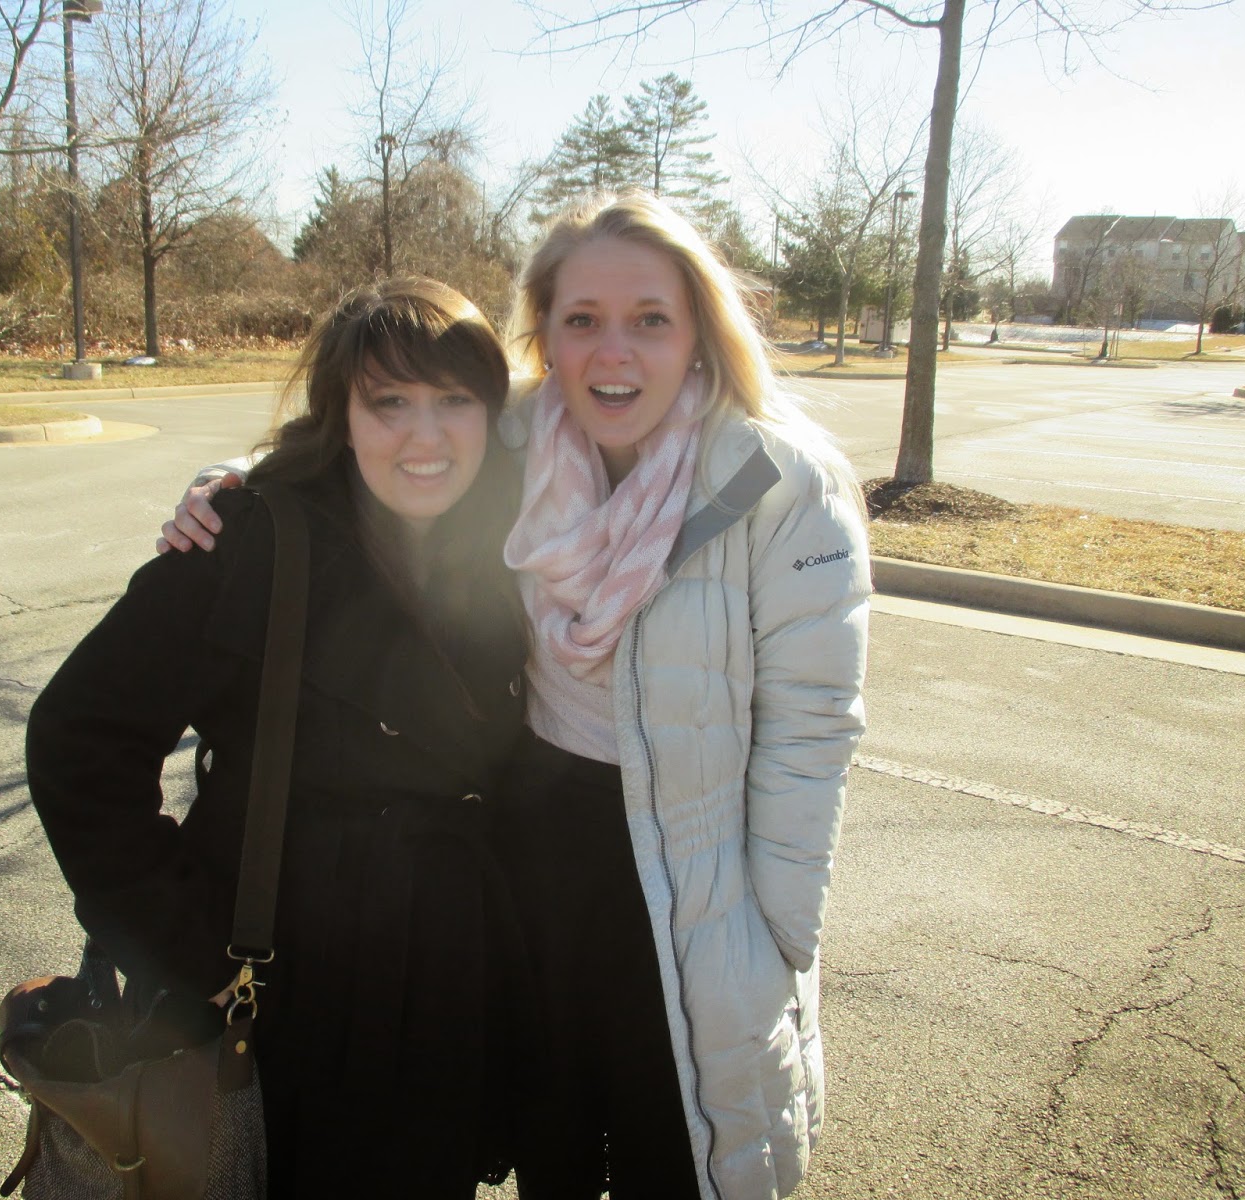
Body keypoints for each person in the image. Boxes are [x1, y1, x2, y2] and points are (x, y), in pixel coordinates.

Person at [167, 193, 871, 1200]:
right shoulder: (522, 437)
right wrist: (231, 480)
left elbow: (811, 734)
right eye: (582, 319)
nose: (613, 352)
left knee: (678, 1152)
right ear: (543, 335)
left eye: (650, 319)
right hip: (531, 850)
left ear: (697, 332)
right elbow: (382, 441)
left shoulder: (779, 482)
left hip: (692, 878)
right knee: (553, 1144)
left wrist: (778, 940)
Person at [26, 277, 530, 1200]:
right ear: (341, 414)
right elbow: (79, 740)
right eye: (390, 403)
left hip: (447, 979)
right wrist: (192, 952)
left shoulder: (518, 537)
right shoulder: (253, 542)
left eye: (456, 400)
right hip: (287, 989)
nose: (426, 436)